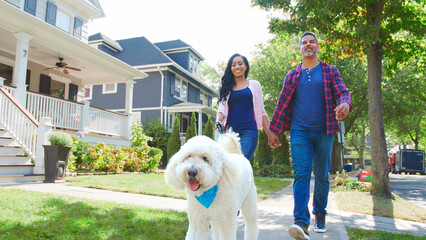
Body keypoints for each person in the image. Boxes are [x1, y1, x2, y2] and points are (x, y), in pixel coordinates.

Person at [269, 32, 352, 240]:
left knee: (322, 174)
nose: (308, 45)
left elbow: (343, 92)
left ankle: (320, 214)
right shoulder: (292, 75)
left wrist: (345, 104)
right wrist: (273, 131)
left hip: (324, 130)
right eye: (304, 42)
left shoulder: (330, 71)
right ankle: (300, 222)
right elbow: (281, 104)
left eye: (311, 42)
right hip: (299, 132)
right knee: (301, 174)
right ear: (300, 48)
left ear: (317, 46)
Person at [216, 53, 278, 162]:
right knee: (228, 165)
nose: (237, 67)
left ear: (246, 66)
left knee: (241, 163)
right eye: (233, 65)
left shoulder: (254, 85)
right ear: (230, 68)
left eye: (240, 64)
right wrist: (218, 121)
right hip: (230, 133)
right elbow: (221, 110)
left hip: (249, 131)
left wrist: (270, 133)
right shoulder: (226, 88)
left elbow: (262, 112)